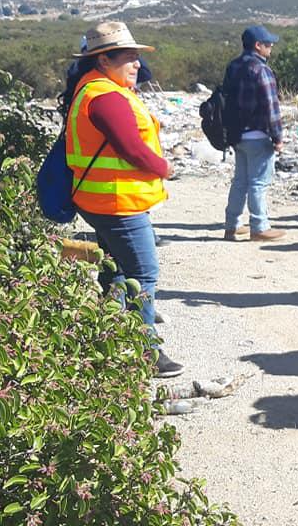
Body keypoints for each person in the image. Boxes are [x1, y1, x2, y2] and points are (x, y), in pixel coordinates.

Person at [63, 22, 183, 377]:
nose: (136, 65)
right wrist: (164, 168)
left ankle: (108, 333)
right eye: (129, 57)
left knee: (114, 269)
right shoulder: (106, 97)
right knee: (142, 273)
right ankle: (146, 352)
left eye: (136, 57)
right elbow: (131, 149)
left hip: (99, 199)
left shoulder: (94, 88)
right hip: (117, 202)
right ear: (103, 60)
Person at [221, 25, 286, 242]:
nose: (271, 47)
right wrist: (277, 137)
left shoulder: (233, 66)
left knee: (240, 181)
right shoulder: (261, 69)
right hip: (258, 135)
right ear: (258, 46)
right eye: (268, 44)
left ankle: (232, 226)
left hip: (236, 134)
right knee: (258, 182)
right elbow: (271, 106)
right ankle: (259, 227)